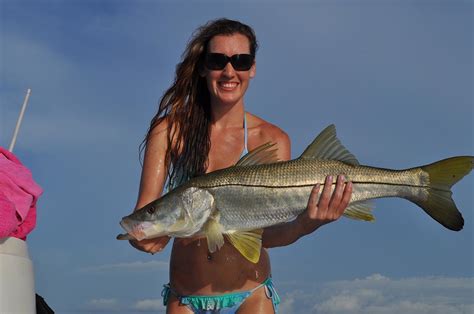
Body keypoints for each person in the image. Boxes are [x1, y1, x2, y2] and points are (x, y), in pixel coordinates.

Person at [130, 18, 352, 314]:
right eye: (217, 60)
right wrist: (141, 238)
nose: (229, 71)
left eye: (241, 61)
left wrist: (306, 224)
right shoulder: (169, 132)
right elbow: (145, 215)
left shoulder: (271, 139)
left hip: (252, 296)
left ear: (253, 68)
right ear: (202, 67)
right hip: (185, 297)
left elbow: (268, 236)